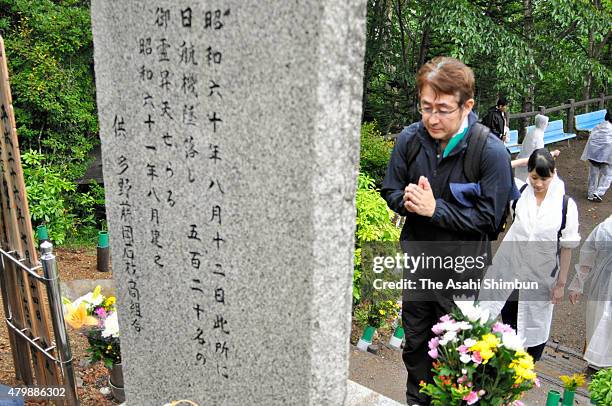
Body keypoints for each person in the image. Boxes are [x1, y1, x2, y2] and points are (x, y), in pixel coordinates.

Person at [381, 56, 514, 406]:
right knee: (416, 344)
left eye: (443, 109)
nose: (432, 118)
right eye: (426, 107)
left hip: (463, 274)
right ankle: (417, 401)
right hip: (420, 267)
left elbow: (490, 220)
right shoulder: (410, 139)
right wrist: (408, 200)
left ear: (467, 105)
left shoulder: (490, 151)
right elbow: (390, 189)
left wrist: (436, 208)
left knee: (458, 354)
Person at [480, 149, 580, 362]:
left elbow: (567, 247)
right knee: (504, 320)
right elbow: (497, 168)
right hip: (509, 269)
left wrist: (561, 284)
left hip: (540, 276)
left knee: (534, 327)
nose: (539, 184)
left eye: (544, 178)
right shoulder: (520, 191)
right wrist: (528, 159)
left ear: (554, 173)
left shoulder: (565, 206)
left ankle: (523, 373)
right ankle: (501, 370)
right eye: (534, 177)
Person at [568, 215, 612, 369]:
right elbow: (587, 255)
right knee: (599, 324)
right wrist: (577, 284)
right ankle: (597, 365)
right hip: (601, 289)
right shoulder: (605, 228)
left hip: (600, 289)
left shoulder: (605, 228)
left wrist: (577, 284)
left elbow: (587, 255)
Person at [581, 110, 612, 202]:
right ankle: (599, 192)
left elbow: (591, 139)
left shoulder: (598, 126)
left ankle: (591, 194)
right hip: (604, 157)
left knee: (593, 175)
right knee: (608, 174)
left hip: (592, 155)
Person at [514, 114, 549, 182]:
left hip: (522, 161)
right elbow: (539, 153)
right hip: (527, 164)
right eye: (546, 124)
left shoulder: (532, 131)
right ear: (543, 124)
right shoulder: (538, 135)